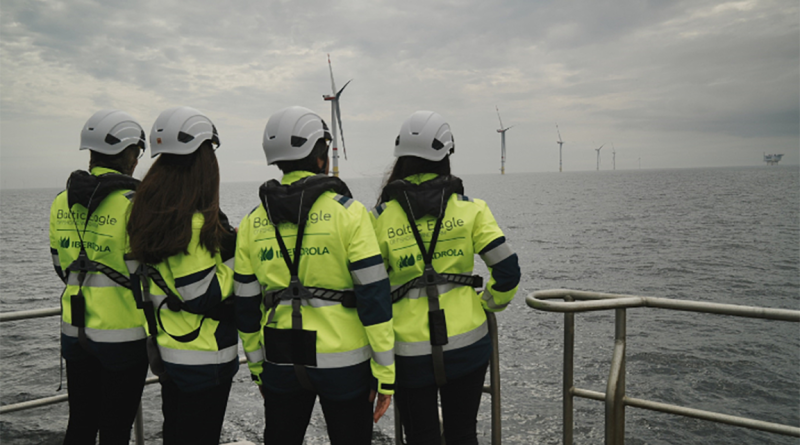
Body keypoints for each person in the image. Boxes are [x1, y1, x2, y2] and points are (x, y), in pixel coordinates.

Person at [234, 106, 394, 445]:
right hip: (344, 365)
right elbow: (374, 299)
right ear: (321, 155)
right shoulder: (350, 214)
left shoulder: (251, 222)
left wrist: (258, 368)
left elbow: (246, 307)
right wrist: (385, 373)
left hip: (279, 361)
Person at [370, 110, 521, 445]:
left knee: (421, 437)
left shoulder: (379, 218)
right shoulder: (472, 210)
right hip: (467, 346)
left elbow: (370, 290)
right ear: (446, 156)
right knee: (462, 432)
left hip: (408, 353)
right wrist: (487, 305)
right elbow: (508, 272)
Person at [127, 106, 237, 445]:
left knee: (176, 432)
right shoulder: (194, 224)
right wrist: (236, 256)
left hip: (169, 352)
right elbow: (203, 293)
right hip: (206, 359)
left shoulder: (144, 213)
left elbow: (137, 280)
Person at [49, 109, 149, 445]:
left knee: (79, 423)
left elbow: (59, 265)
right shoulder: (134, 203)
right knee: (116, 428)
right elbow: (145, 271)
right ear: (127, 153)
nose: (136, 160)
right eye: (136, 152)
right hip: (122, 335)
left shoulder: (60, 202)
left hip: (74, 332)